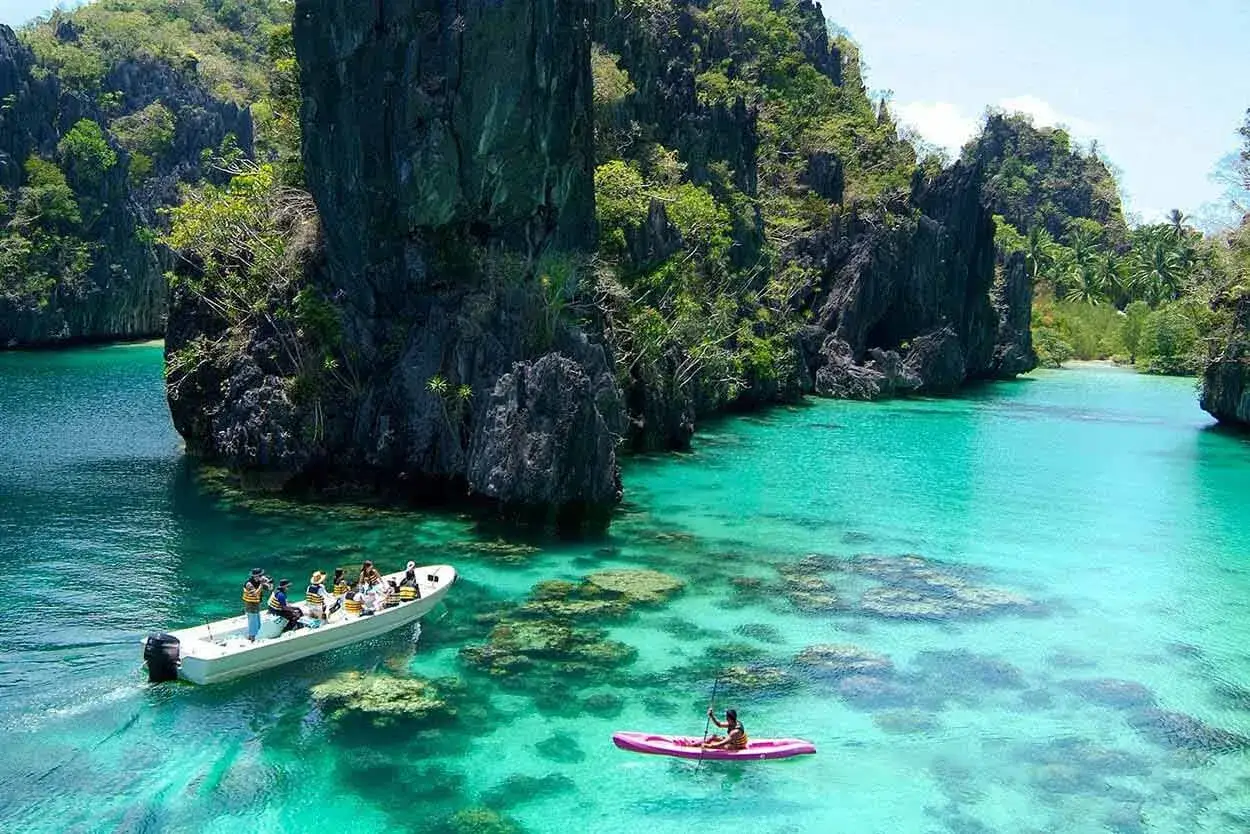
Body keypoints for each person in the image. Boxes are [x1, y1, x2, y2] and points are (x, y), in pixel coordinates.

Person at [241, 568, 271, 642]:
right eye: (260, 575)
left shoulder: (259, 582)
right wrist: (261, 584)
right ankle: (252, 638)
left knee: (257, 622)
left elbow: (270, 589)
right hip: (250, 605)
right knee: (253, 622)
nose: (261, 576)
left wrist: (268, 582)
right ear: (255, 576)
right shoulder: (249, 584)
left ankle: (257, 636)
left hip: (256, 604)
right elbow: (255, 594)